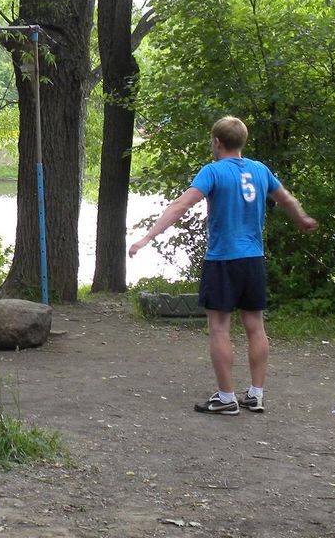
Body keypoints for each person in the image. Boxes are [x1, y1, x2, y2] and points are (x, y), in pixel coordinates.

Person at [127, 116, 318, 414]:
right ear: (242, 141)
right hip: (253, 260)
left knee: (219, 327)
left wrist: (147, 237)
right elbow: (286, 199)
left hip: (222, 261)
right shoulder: (260, 170)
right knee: (255, 325)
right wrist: (302, 219)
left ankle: (226, 398)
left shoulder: (213, 172)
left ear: (217, 142)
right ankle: (256, 394)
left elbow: (181, 205)